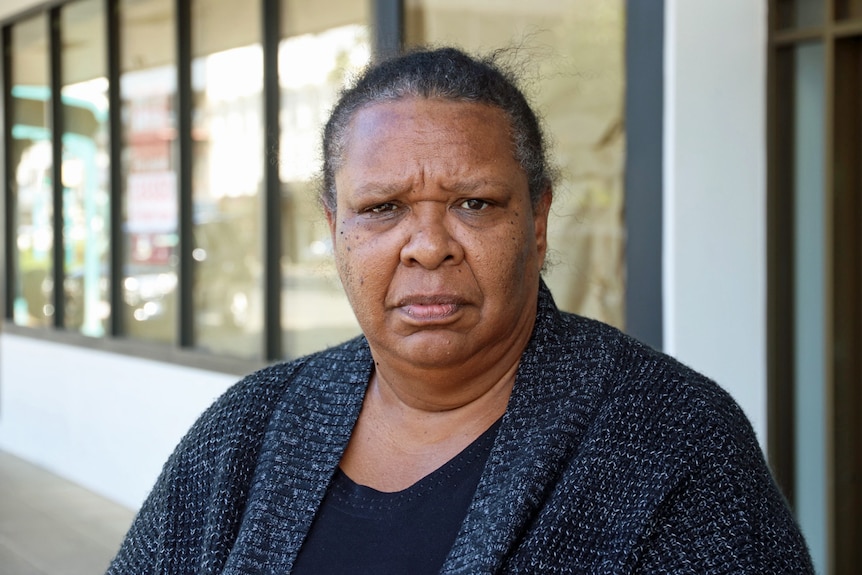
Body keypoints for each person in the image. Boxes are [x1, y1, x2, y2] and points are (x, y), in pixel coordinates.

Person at [107, 47, 813, 574]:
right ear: (334, 229)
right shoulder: (248, 428)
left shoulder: (675, 437)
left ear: (537, 222)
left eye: (474, 203)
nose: (427, 246)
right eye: (382, 208)